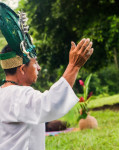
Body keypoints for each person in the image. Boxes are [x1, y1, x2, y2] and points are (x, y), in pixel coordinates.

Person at [0, 3, 93, 150]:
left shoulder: (4, 93)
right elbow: (50, 104)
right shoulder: (19, 95)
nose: (39, 67)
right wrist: (74, 67)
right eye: (35, 63)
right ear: (22, 69)